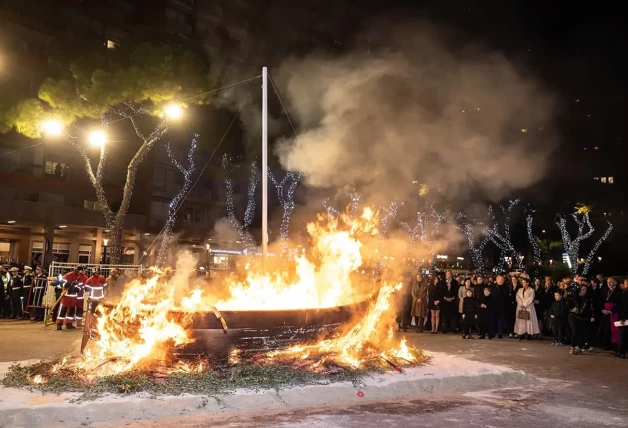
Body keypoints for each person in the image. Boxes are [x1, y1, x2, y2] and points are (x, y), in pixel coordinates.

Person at [56, 265, 88, 330]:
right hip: (66, 296)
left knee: (71, 311)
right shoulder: (69, 275)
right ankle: (59, 324)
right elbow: (61, 282)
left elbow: (81, 285)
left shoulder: (80, 277)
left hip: (74, 297)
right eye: (79, 271)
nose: (80, 273)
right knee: (62, 310)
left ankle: (69, 324)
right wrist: (67, 285)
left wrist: (77, 289)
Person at [567, 285, 595, 355]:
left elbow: (592, 308)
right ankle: (572, 347)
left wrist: (593, 316)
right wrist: (571, 309)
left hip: (583, 317)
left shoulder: (589, 299)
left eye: (585, 289)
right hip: (573, 315)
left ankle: (579, 347)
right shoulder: (574, 297)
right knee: (575, 330)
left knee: (581, 332)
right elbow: (568, 306)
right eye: (583, 289)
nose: (584, 291)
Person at [597, 277, 622, 350]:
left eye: (610, 282)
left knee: (612, 329)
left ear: (615, 283)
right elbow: (601, 301)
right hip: (605, 312)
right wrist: (602, 309)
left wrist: (611, 311)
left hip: (613, 313)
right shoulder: (605, 290)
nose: (609, 284)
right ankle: (604, 345)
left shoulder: (619, 291)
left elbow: (619, 303)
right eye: (608, 282)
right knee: (603, 328)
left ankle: (613, 346)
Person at [514, 276, 540, 341]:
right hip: (520, 307)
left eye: (524, 282)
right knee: (521, 320)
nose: (523, 284)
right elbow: (517, 297)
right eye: (522, 282)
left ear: (528, 283)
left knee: (529, 320)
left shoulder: (531, 290)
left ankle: (529, 334)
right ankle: (521, 333)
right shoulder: (519, 290)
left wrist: (525, 304)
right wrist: (521, 304)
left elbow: (531, 298)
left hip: (528, 307)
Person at [493, 274, 508, 339]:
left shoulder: (506, 288)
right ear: (496, 280)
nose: (501, 281)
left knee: (500, 320)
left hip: (502, 307)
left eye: (502, 279)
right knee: (493, 320)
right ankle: (493, 332)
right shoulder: (492, 287)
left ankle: (500, 333)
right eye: (500, 279)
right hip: (494, 307)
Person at [617, 280, 628, 359]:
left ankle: (621, 352)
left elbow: (624, 306)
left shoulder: (625, 292)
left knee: (622, 335)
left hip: (626, 318)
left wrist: (622, 318)